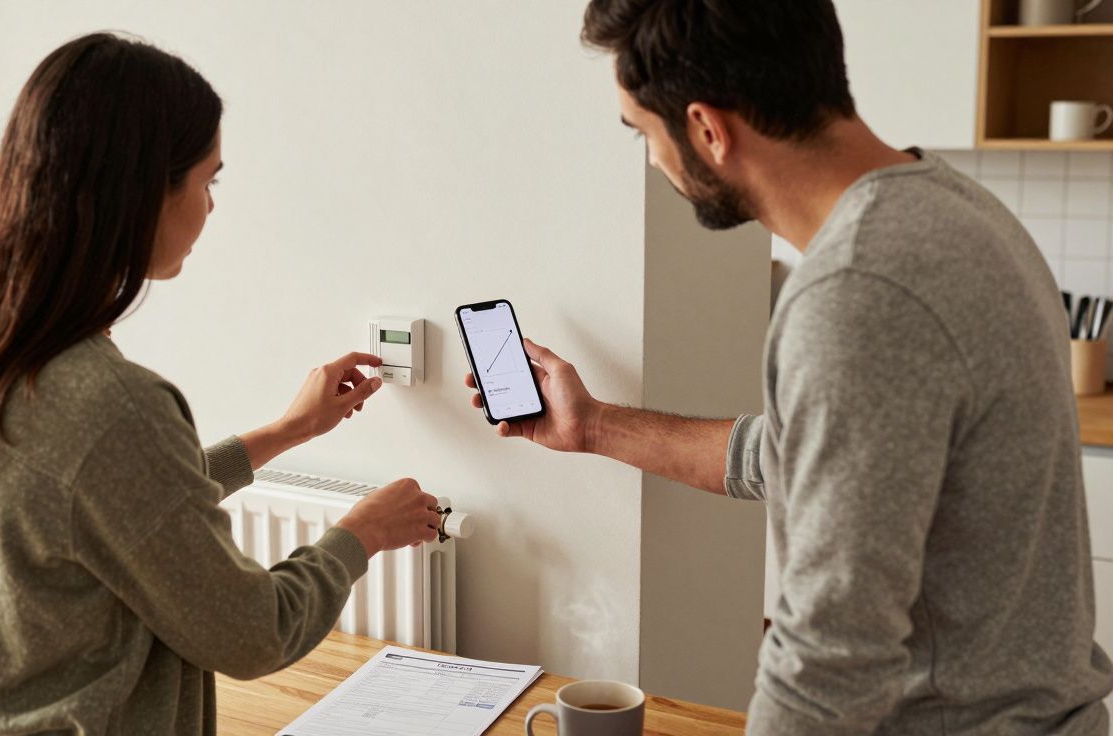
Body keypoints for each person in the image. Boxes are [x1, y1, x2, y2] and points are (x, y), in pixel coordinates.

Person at [465, 1, 1113, 733]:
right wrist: (594, 427)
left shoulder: (857, 292)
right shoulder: (956, 209)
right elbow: (802, 458)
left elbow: (827, 659)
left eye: (643, 133)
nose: (651, 160)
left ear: (707, 129)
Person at [0, 33, 440, 736]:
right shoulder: (108, 402)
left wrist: (285, 432)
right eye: (207, 180)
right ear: (141, 191)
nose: (211, 208)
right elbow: (253, 633)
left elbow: (101, 509)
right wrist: (359, 535)